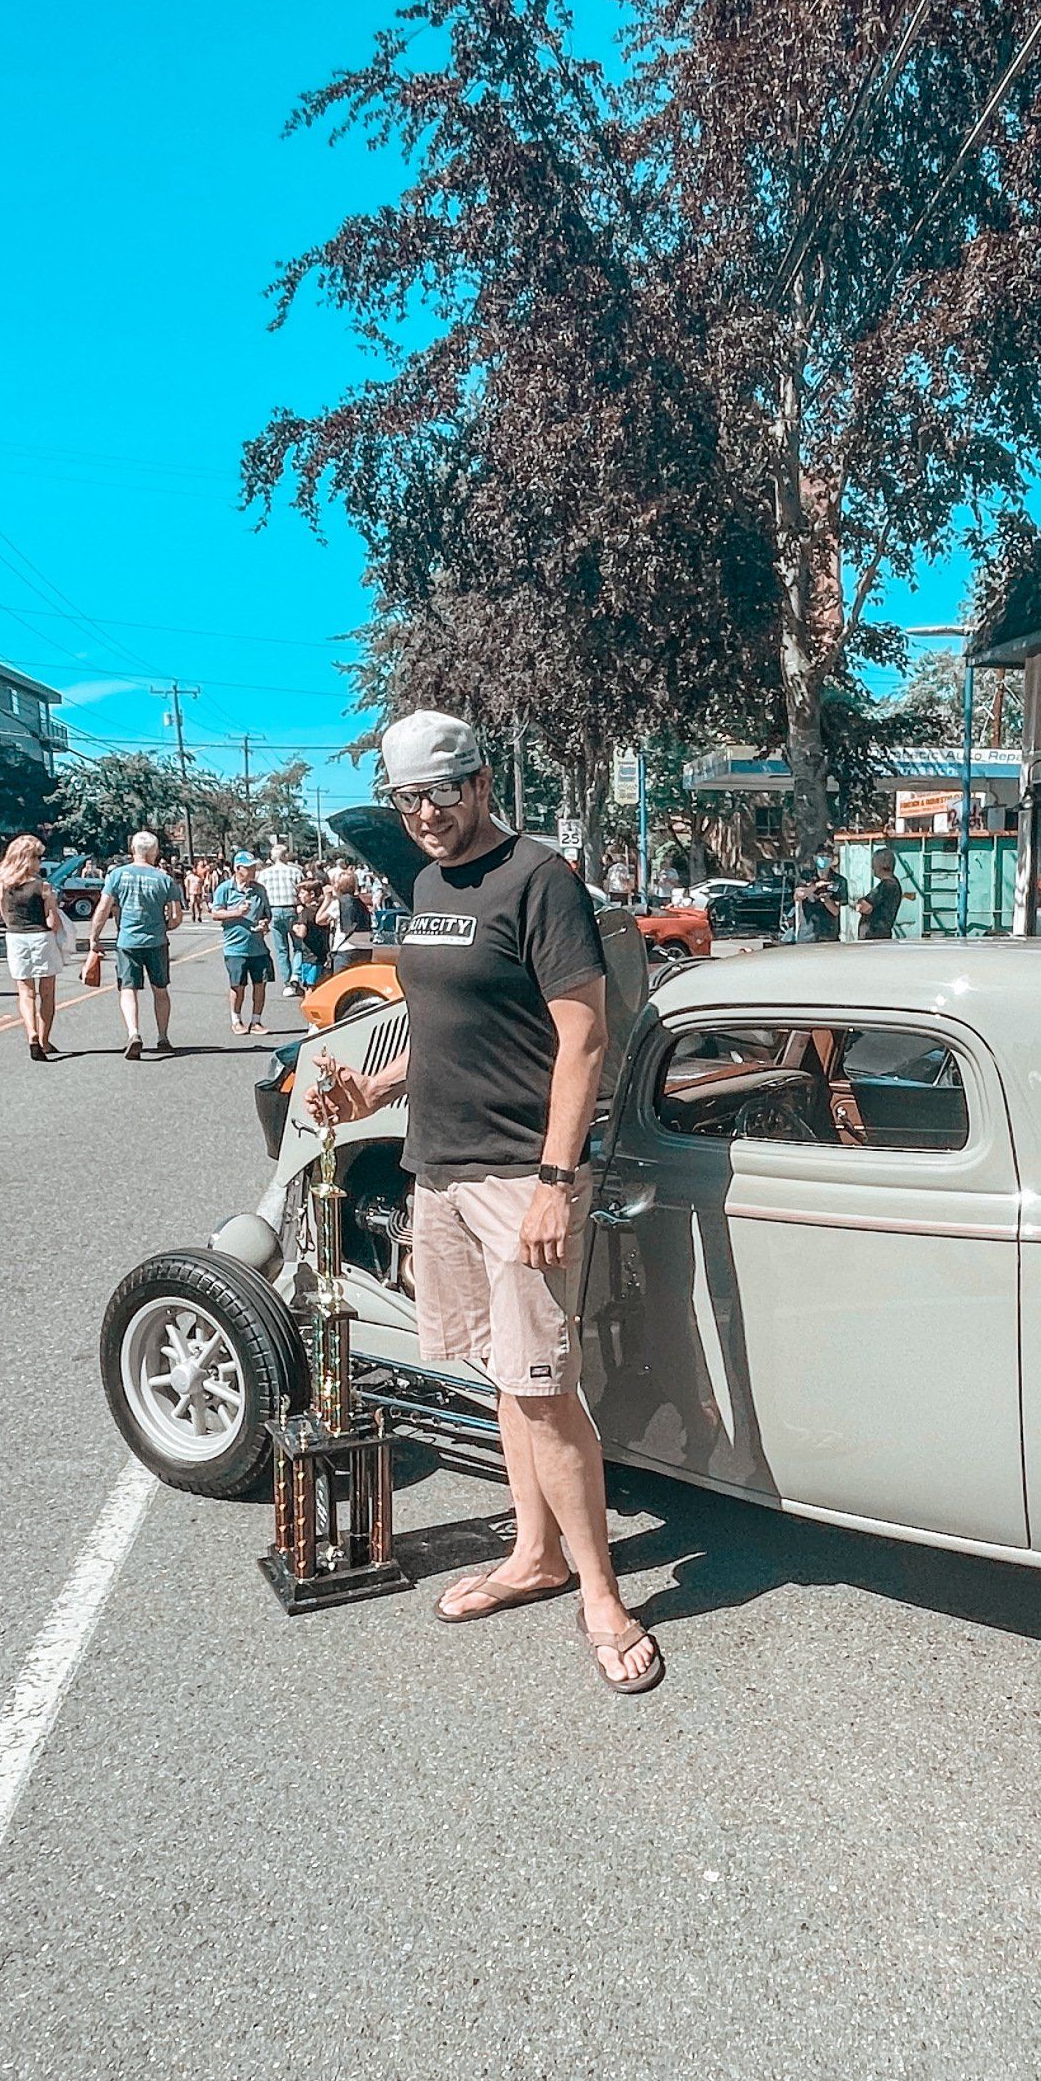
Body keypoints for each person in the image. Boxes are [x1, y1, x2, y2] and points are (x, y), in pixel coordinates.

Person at [310, 707, 662, 1694]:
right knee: (504, 1376)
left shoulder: (539, 878)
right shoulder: (422, 883)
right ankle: (533, 1558)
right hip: (443, 1167)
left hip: (520, 1173)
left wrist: (555, 1181)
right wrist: (374, 1090)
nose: (424, 812)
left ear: (480, 782)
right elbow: (440, 1020)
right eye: (407, 795)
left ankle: (600, 1593)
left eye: (440, 791)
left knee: (547, 1387)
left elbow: (583, 1036)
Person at [83, 828, 184, 1060]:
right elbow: (177, 916)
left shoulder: (117, 875)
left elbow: (103, 908)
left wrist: (94, 937)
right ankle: (163, 1037)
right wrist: (166, 926)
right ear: (155, 852)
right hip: (156, 941)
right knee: (160, 990)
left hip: (127, 941)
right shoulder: (164, 879)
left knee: (128, 989)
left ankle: (134, 1033)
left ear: (133, 850)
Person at [0, 832, 69, 1060]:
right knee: (47, 993)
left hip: (16, 938)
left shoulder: (2, 884)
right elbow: (52, 922)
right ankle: (45, 1041)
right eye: (38, 858)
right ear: (29, 859)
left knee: (26, 994)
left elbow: (5, 915)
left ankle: (32, 1035)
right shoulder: (42, 886)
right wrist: (54, 909)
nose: (40, 862)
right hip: (41, 938)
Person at [213, 849, 274, 1035]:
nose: (253, 870)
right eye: (249, 868)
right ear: (237, 868)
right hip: (235, 948)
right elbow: (216, 913)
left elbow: (266, 914)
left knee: (260, 984)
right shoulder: (225, 889)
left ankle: (256, 1021)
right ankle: (236, 1019)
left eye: (254, 867)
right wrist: (236, 912)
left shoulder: (259, 889)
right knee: (237, 986)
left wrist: (264, 923)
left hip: (258, 947)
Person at [260, 840, 303, 996]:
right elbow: (302, 892)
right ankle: (296, 975)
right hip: (292, 909)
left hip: (274, 911)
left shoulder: (264, 874)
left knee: (281, 949)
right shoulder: (295, 872)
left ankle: (287, 982)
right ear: (285, 856)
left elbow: (261, 895)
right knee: (299, 946)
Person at [326, 861, 376, 972]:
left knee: (341, 985)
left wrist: (327, 898)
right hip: (366, 948)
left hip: (346, 949)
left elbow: (320, 920)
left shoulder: (338, 903)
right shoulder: (362, 902)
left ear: (338, 886)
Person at [790, 850, 845, 942]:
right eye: (820, 855)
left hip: (828, 933)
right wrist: (816, 886)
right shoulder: (806, 876)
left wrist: (827, 901)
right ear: (815, 858)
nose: (823, 858)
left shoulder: (839, 881)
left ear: (832, 859)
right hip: (807, 932)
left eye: (826, 855)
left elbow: (836, 911)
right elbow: (798, 895)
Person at [856, 846, 905, 941]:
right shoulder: (892, 884)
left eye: (874, 863)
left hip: (875, 936)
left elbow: (864, 907)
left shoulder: (887, 886)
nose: (872, 867)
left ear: (881, 864)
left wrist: (859, 902)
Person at [290, 873, 329, 992]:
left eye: (302, 893)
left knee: (310, 988)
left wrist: (295, 928)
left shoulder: (306, 912)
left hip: (310, 955)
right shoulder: (322, 910)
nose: (299, 896)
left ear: (311, 894)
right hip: (323, 953)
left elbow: (302, 933)